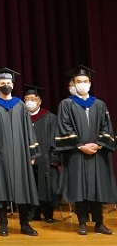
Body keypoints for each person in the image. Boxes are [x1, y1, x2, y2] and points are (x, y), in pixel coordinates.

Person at [0, 67, 40, 237]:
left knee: (23, 189)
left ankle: (24, 224)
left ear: (13, 84)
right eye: (3, 83)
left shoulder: (20, 106)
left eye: (9, 83)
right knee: (1, 190)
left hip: (20, 155)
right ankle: (3, 225)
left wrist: (32, 153)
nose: (6, 85)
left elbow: (29, 131)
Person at [56, 65, 117, 235]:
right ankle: (82, 223)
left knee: (98, 188)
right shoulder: (66, 104)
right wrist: (80, 146)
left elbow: (106, 127)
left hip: (97, 153)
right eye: (78, 81)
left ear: (90, 83)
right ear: (73, 83)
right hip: (77, 153)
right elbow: (64, 127)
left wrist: (98, 144)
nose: (82, 84)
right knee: (79, 188)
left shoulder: (100, 104)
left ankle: (99, 223)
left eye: (85, 81)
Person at [22, 84, 60, 224]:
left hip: (45, 159)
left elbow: (55, 139)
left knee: (46, 185)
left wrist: (54, 157)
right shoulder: (21, 118)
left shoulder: (49, 118)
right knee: (30, 185)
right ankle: (34, 212)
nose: (29, 102)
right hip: (27, 159)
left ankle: (48, 213)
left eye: (32, 99)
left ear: (39, 101)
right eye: (27, 99)